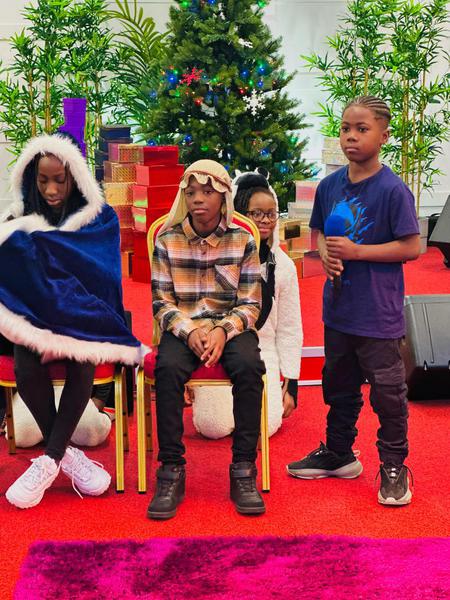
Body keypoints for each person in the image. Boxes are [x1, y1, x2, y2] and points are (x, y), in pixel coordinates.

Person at [286, 96, 420, 506]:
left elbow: (412, 247)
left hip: (377, 313)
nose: (351, 137)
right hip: (338, 310)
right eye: (346, 128)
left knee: (387, 393)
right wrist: (325, 254)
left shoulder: (393, 190)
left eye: (362, 129)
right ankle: (340, 453)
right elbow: (319, 235)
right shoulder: (329, 186)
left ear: (384, 135)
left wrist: (359, 252)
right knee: (338, 385)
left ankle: (394, 465)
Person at [0, 133, 143, 509]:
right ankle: (66, 457)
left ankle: (49, 458)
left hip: (85, 316)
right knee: (25, 358)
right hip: (34, 318)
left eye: (59, 180)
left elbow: (103, 278)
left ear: (75, 177)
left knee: (83, 355)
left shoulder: (100, 219)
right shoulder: (17, 219)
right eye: (42, 180)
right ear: (31, 179)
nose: (50, 189)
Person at [149, 159, 266, 520]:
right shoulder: (167, 240)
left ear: (224, 197)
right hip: (183, 326)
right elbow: (161, 303)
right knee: (167, 368)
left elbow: (251, 304)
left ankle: (244, 468)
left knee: (249, 366)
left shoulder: (243, 240)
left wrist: (221, 330)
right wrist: (190, 331)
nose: (198, 199)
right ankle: (171, 469)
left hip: (229, 327)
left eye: (207, 192)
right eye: (191, 192)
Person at [191, 170, 302, 438]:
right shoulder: (214, 254)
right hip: (217, 348)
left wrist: (291, 383)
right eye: (256, 213)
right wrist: (190, 375)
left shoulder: (284, 266)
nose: (265, 220)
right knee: (213, 427)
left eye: (271, 214)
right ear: (240, 214)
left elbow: (289, 328)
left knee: (265, 426)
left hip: (263, 350)